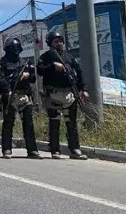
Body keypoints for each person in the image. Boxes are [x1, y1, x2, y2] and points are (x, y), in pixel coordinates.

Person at [37, 31, 89, 160]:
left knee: (71, 123)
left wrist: (84, 88)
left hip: (69, 94)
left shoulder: (69, 57)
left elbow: (79, 71)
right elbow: (39, 70)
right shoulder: (46, 56)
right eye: (56, 41)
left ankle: (75, 149)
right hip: (53, 94)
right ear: (50, 43)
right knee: (54, 123)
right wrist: (52, 67)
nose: (59, 43)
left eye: (60, 41)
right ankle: (55, 150)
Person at [0, 37, 41, 159]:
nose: (15, 50)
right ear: (7, 49)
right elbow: (0, 78)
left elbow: (34, 77)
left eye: (16, 48)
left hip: (24, 96)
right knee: (8, 124)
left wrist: (27, 74)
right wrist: (7, 91)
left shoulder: (25, 62)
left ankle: (32, 150)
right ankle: (7, 149)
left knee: (28, 124)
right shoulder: (1, 63)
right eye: (12, 48)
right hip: (9, 96)